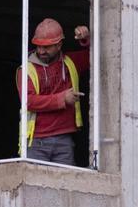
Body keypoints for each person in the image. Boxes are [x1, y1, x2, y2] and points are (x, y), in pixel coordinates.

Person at [16, 18, 90, 166]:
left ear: (59, 45)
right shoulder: (26, 70)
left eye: (47, 47)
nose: (41, 51)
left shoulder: (70, 62)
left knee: (65, 186)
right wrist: (62, 99)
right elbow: (28, 101)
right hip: (36, 141)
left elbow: (97, 55)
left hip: (64, 140)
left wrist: (87, 39)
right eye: (38, 46)